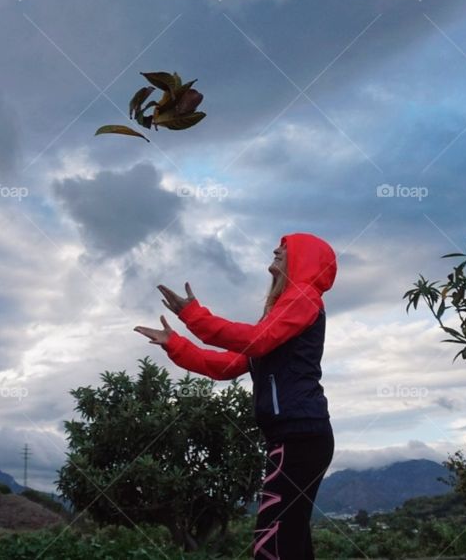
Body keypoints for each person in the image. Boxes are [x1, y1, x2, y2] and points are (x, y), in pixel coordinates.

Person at [135, 232, 337, 560]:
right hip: (295, 436)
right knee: (290, 541)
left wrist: (194, 316)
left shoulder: (304, 296)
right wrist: (175, 344)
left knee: (272, 543)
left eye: (286, 247)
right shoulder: (283, 314)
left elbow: (255, 340)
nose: (276, 249)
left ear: (306, 258)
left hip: (299, 435)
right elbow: (229, 365)